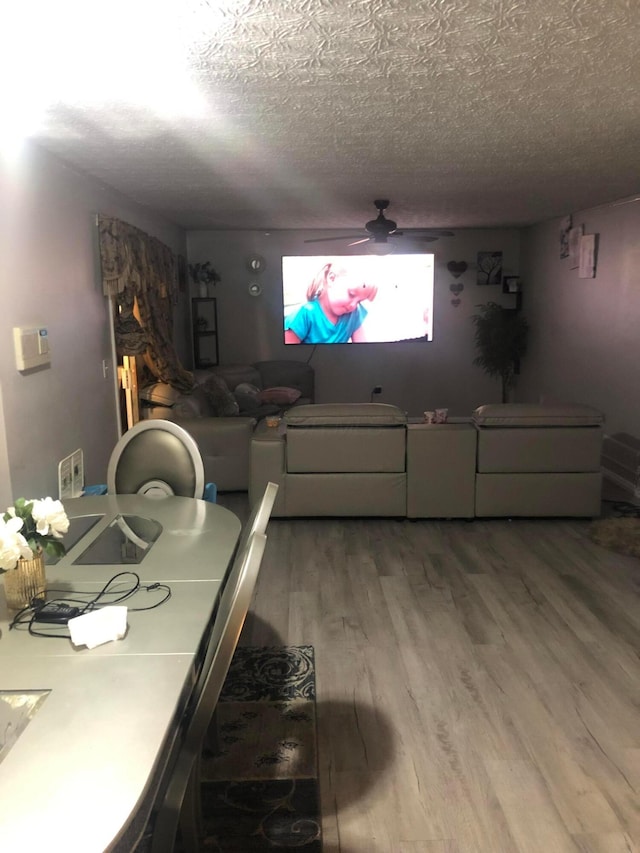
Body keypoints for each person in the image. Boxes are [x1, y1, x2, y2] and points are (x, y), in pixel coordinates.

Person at [284, 262, 378, 344]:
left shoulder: (354, 314)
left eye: (359, 301)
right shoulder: (304, 314)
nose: (353, 306)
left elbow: (363, 351)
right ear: (331, 279)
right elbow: (287, 356)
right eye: (351, 294)